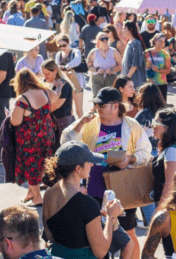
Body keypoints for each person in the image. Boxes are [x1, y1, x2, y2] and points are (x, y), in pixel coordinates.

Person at [63, 87, 153, 234]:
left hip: (123, 187)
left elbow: (146, 152)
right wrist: (80, 123)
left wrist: (130, 159)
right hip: (94, 186)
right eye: (96, 105)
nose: (97, 108)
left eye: (102, 105)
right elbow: (66, 142)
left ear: (115, 106)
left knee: (128, 234)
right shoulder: (90, 123)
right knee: (95, 231)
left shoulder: (131, 126)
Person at [10, 68, 59, 207]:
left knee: (31, 165)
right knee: (45, 163)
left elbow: (16, 121)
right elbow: (55, 97)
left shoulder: (22, 99)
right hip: (47, 134)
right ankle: (31, 193)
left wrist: (9, 116)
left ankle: (37, 197)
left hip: (29, 139)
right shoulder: (46, 92)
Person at [55, 36, 85, 118]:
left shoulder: (75, 51)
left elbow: (77, 60)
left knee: (79, 111)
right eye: (59, 46)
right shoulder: (59, 54)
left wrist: (66, 67)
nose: (62, 48)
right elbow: (56, 65)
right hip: (65, 85)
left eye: (64, 45)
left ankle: (83, 129)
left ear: (68, 43)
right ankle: (72, 129)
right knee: (69, 110)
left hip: (76, 82)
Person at [88, 29, 122, 97]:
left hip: (111, 78)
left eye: (106, 38)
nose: (105, 41)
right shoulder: (93, 52)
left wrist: (111, 69)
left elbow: (121, 65)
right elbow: (88, 66)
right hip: (97, 79)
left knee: (110, 98)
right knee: (97, 98)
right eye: (102, 39)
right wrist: (97, 69)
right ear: (98, 41)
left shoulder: (114, 51)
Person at [42, 60, 75, 130]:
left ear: (55, 71)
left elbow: (57, 105)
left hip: (62, 122)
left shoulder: (64, 84)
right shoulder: (44, 82)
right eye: (43, 74)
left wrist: (41, 112)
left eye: (47, 74)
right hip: (50, 121)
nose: (45, 76)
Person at [145, 32, 172, 103]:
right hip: (149, 83)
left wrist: (158, 70)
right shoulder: (147, 53)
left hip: (161, 83)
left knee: (161, 105)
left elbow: (168, 70)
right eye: (160, 41)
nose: (162, 43)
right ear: (155, 41)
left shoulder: (165, 54)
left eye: (163, 41)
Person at [122, 20, 147, 87]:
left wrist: (128, 77)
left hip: (134, 79)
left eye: (124, 28)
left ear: (130, 30)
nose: (123, 30)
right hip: (128, 78)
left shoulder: (136, 43)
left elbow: (135, 63)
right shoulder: (129, 42)